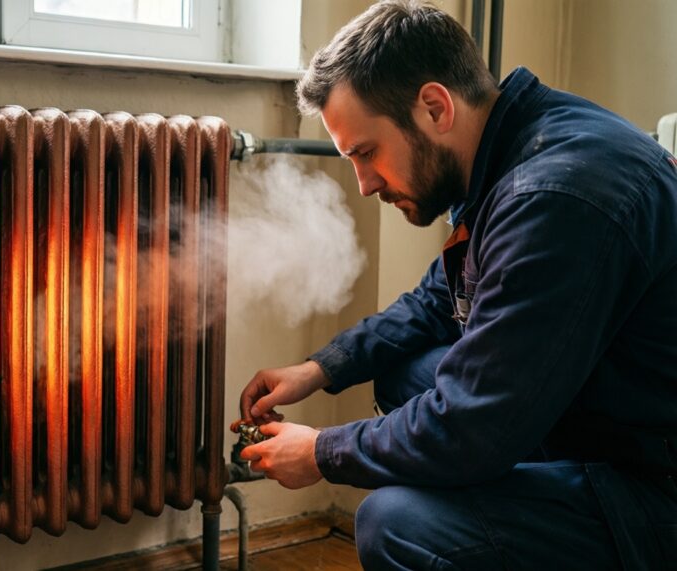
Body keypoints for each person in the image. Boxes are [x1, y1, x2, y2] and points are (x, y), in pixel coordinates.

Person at [237, 1, 677, 569]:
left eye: (367, 153)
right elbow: (439, 300)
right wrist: (322, 367)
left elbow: (475, 423)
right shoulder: (514, 147)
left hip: (649, 488)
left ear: (434, 107)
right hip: (601, 415)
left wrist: (323, 452)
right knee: (403, 371)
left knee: (395, 525)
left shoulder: (553, 199)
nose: (365, 184)